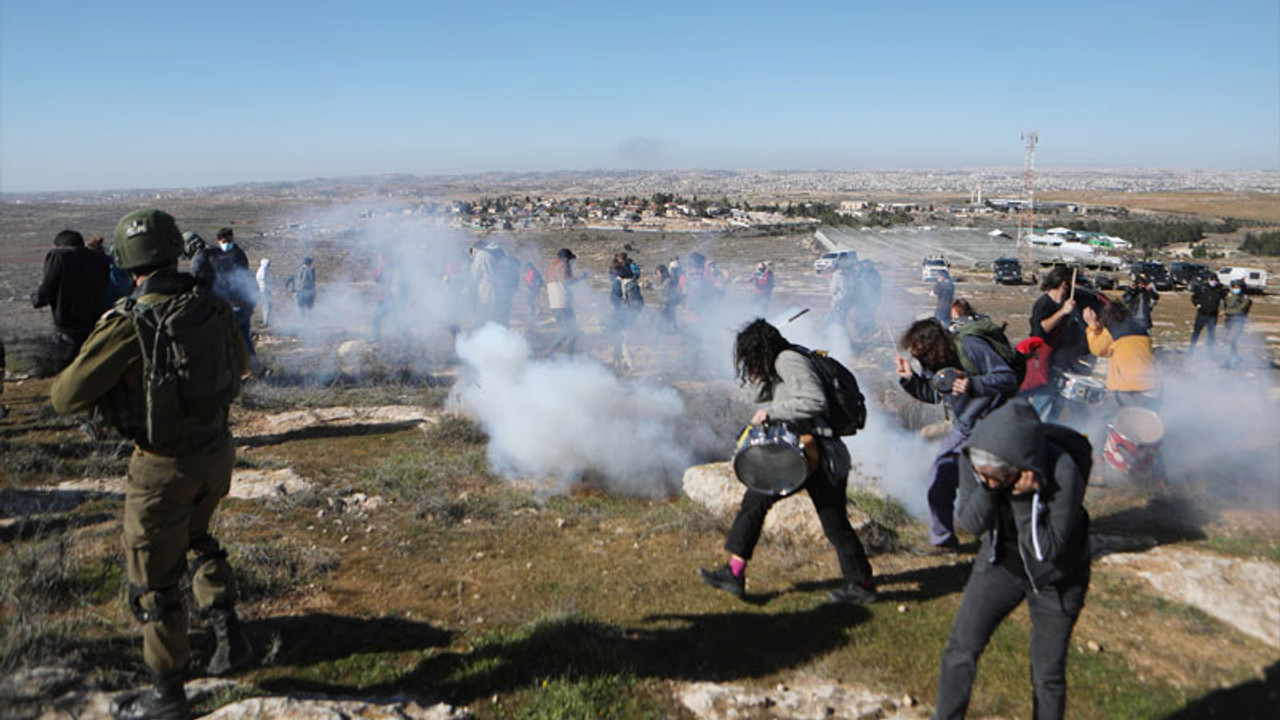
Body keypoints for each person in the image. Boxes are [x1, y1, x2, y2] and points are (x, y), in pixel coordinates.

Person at [50, 210, 254, 720]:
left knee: (154, 580)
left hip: (163, 466)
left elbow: (65, 397)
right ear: (173, 251)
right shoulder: (209, 305)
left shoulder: (129, 322)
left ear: (127, 261)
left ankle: (166, 696)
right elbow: (242, 364)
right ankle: (232, 637)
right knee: (199, 538)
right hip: (217, 451)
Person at [933, 398, 1092, 720]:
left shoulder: (1063, 470)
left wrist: (1022, 499)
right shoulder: (975, 459)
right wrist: (990, 487)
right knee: (960, 650)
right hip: (999, 565)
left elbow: (1046, 550)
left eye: (996, 477)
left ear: (1022, 464)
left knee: (1047, 675)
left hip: (1056, 580)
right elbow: (972, 525)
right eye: (982, 474)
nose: (986, 481)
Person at [699, 319, 877, 604]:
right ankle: (862, 584)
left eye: (749, 354)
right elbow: (759, 395)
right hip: (811, 452)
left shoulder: (788, 360)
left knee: (770, 505)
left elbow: (814, 400)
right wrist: (757, 373)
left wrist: (773, 413)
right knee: (821, 518)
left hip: (814, 451)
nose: (746, 360)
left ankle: (735, 573)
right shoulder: (781, 362)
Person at [897, 318, 1018, 552]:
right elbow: (934, 395)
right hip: (963, 428)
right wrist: (910, 379)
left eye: (921, 353)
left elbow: (1007, 377)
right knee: (938, 478)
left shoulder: (971, 346)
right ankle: (943, 540)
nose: (919, 359)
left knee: (993, 485)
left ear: (935, 344)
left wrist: (973, 384)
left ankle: (1007, 539)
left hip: (995, 425)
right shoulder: (932, 359)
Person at [31, 230, 111, 372]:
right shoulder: (98, 259)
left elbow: (44, 293)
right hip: (94, 330)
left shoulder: (59, 256)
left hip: (68, 333)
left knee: (65, 378)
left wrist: (35, 297)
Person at [1024, 267, 1091, 422]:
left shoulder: (1065, 304)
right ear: (1058, 284)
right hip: (1042, 363)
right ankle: (1032, 432)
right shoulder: (1043, 303)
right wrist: (1062, 313)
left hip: (1059, 363)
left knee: (1057, 406)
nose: (1065, 292)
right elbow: (1040, 330)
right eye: (1064, 287)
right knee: (1042, 402)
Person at [1083, 300, 1158, 409]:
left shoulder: (1114, 329)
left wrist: (1091, 326)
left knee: (1110, 416)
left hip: (1127, 387)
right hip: (1150, 385)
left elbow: (1097, 349)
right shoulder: (1140, 329)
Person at [207, 228, 259, 365]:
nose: (227, 244)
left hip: (238, 303)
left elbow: (241, 279)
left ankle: (250, 366)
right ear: (218, 241)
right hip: (229, 303)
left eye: (229, 240)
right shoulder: (217, 255)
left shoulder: (238, 255)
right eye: (224, 241)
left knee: (240, 336)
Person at [608, 253, 643, 371]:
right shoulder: (632, 281)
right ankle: (619, 362)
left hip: (623, 314)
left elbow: (613, 300)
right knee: (624, 338)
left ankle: (628, 365)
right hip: (632, 313)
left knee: (622, 339)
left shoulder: (619, 282)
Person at [545, 248, 578, 356]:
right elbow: (566, 281)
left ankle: (551, 352)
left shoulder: (550, 267)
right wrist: (581, 278)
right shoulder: (563, 266)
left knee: (567, 332)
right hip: (563, 304)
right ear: (566, 259)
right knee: (571, 333)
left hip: (555, 305)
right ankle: (567, 360)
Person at [1189, 274, 1226, 354]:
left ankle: (1210, 351)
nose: (1213, 281)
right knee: (1196, 332)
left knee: (1211, 334)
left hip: (1213, 315)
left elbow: (1224, 300)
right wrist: (1197, 304)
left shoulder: (1219, 289)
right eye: (1212, 279)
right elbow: (1194, 297)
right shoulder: (1202, 287)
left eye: (1215, 280)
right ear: (1209, 279)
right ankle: (1191, 348)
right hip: (1202, 313)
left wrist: (1223, 309)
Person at [1222, 279, 1252, 369]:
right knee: (1230, 342)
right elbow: (1223, 303)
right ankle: (1233, 359)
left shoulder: (1246, 299)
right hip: (1228, 321)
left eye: (1238, 287)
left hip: (1238, 321)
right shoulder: (1229, 296)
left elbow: (1240, 310)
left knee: (1231, 339)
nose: (1236, 289)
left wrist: (1225, 312)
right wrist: (1222, 309)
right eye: (1234, 287)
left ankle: (1232, 360)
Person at [824, 255, 856, 339]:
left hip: (839, 302)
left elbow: (833, 290)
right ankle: (843, 339)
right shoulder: (848, 274)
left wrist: (829, 280)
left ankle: (838, 340)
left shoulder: (837, 276)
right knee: (841, 321)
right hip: (846, 302)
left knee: (832, 321)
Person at [852, 260, 881, 339]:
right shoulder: (861, 273)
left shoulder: (873, 274)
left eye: (866, 265)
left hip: (869, 299)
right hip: (861, 299)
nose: (865, 266)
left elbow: (876, 287)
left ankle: (868, 332)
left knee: (868, 316)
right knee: (860, 316)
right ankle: (862, 333)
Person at [284, 257, 316, 321]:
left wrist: (286, 287)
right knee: (309, 308)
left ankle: (302, 321)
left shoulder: (298, 270)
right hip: (308, 292)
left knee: (301, 308)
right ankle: (309, 322)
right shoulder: (311, 270)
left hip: (298, 292)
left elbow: (290, 279)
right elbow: (313, 280)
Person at [255, 259, 273, 327]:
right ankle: (266, 322)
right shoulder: (262, 269)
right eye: (268, 263)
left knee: (268, 305)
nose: (269, 264)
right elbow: (263, 278)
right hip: (265, 290)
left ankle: (267, 321)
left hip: (265, 290)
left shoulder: (263, 269)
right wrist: (268, 284)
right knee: (267, 305)